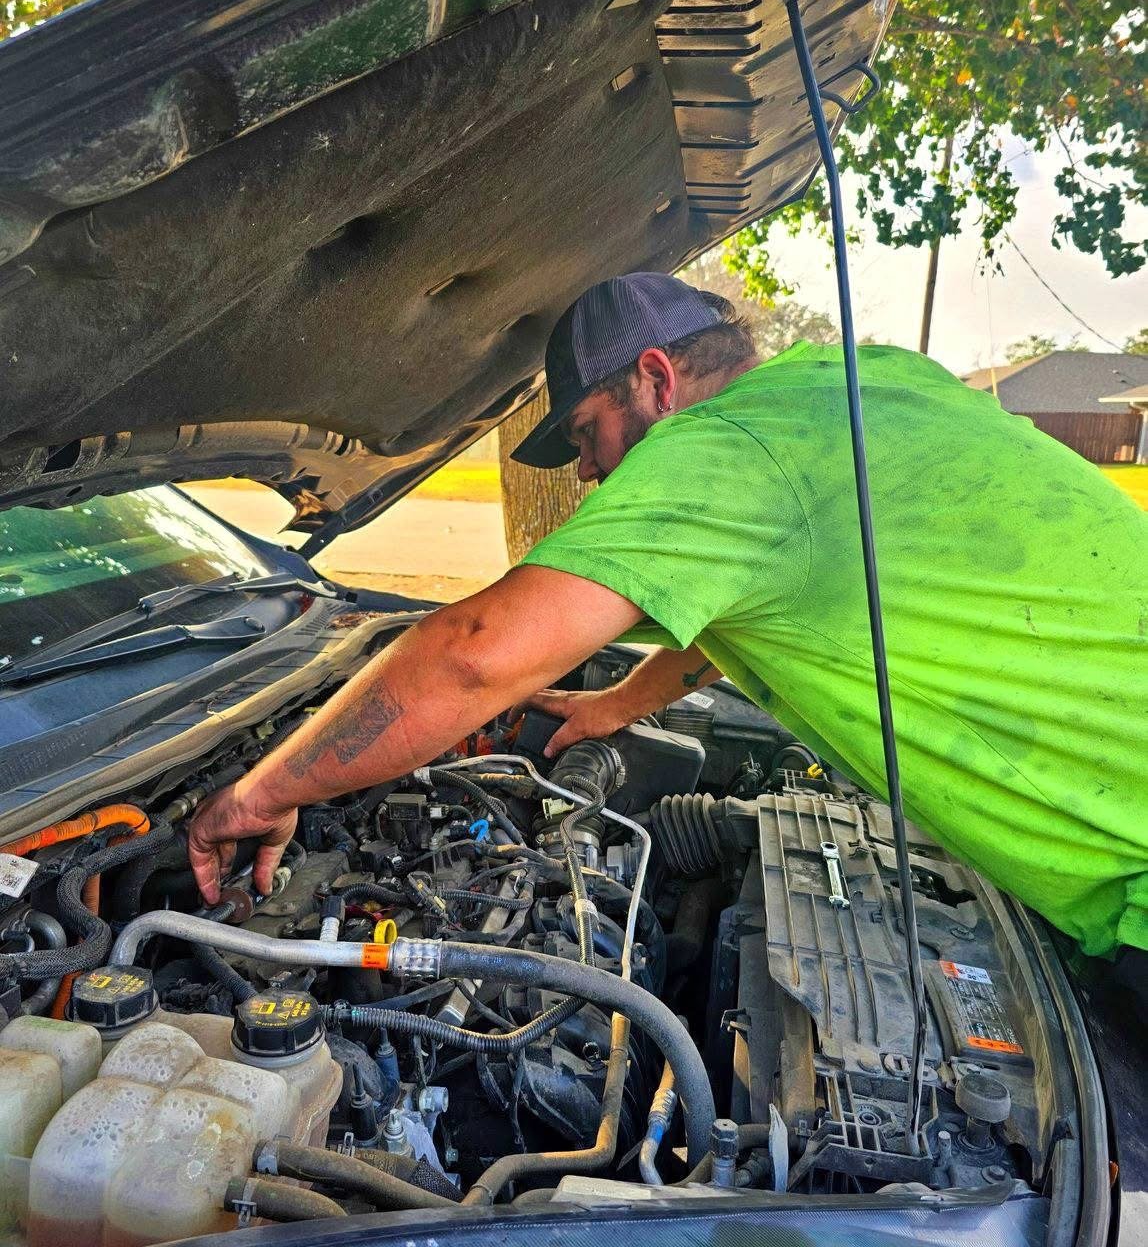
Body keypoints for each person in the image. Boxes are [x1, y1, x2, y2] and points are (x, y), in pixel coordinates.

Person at [188, 273, 1148, 961]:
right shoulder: (855, 387)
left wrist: (263, 794)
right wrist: (621, 706)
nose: (590, 473)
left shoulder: (726, 450)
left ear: (655, 379)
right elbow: (761, 601)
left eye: (587, 434)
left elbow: (473, 658)